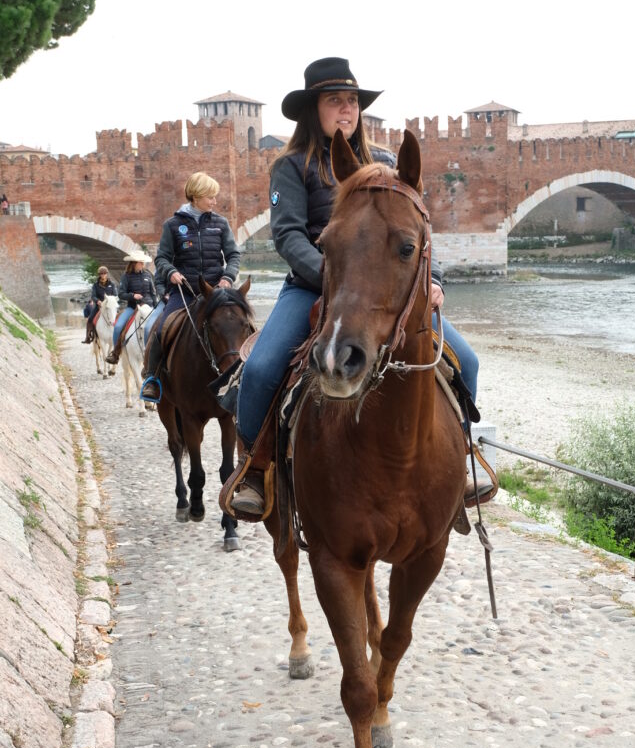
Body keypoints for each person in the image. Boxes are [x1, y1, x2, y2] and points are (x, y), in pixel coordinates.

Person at [231, 56, 484, 517]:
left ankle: (463, 460)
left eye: (351, 102)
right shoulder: (291, 166)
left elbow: (417, 230)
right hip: (314, 285)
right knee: (263, 368)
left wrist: (437, 280)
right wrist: (331, 280)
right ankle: (254, 466)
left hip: (386, 291)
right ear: (315, 110)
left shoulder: (386, 162)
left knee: (465, 360)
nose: (346, 110)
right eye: (334, 102)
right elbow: (287, 236)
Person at [140, 171, 240, 397]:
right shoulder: (172, 225)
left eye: (215, 197)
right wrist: (171, 271)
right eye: (210, 197)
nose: (215, 202)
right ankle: (152, 378)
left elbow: (234, 255)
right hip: (183, 292)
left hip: (216, 291)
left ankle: (246, 374)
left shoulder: (221, 224)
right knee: (159, 328)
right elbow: (162, 258)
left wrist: (228, 277)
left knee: (245, 323)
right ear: (195, 196)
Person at [105, 251, 156, 365]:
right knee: (118, 327)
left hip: (149, 307)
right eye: (140, 263)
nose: (143, 265)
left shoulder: (147, 275)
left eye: (143, 263)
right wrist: (133, 296)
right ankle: (115, 354)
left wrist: (156, 306)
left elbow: (153, 293)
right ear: (134, 263)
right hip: (133, 307)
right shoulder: (126, 276)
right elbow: (121, 294)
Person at [82, 265, 118, 343]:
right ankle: (88, 337)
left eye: (104, 273)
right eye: (101, 274)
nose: (103, 275)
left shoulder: (112, 284)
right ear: (99, 275)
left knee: (117, 317)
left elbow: (115, 295)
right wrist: (97, 301)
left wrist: (111, 301)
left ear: (107, 274)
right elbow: (93, 296)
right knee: (90, 319)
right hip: (99, 306)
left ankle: (119, 336)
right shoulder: (95, 285)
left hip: (109, 306)